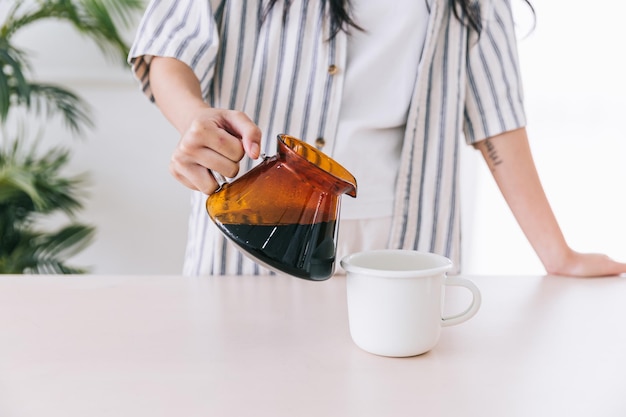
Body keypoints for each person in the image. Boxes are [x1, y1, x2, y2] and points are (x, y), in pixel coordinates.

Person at [128, 0, 626, 277]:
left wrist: (557, 255)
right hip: (260, 228)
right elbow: (169, 45)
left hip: (402, 240)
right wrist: (196, 118)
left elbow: (495, 114)